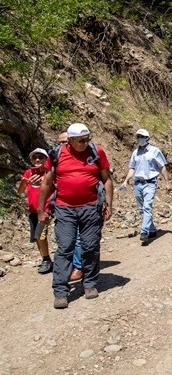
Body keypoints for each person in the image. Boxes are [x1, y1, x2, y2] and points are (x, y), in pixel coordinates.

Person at [38, 123, 113, 309]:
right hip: (65, 209)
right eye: (81, 140)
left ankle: (89, 284)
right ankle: (60, 291)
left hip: (91, 208)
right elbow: (47, 183)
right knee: (65, 247)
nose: (85, 142)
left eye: (88, 138)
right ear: (70, 140)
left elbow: (107, 179)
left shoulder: (97, 152)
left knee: (90, 246)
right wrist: (41, 209)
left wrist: (109, 204)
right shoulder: (56, 154)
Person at [119, 129, 171, 244]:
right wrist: (126, 180)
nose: (139, 139)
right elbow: (132, 168)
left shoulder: (155, 151)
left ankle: (144, 231)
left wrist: (167, 182)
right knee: (142, 209)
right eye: (138, 136)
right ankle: (152, 229)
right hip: (138, 183)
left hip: (150, 183)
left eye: (142, 136)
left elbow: (162, 167)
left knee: (147, 207)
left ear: (148, 138)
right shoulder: (135, 153)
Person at [52, 131, 83, 281]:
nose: (62, 145)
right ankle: (69, 265)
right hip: (62, 205)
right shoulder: (56, 158)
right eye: (59, 142)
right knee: (65, 240)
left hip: (83, 206)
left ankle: (78, 267)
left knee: (77, 238)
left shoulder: (84, 156)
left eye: (64, 141)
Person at [18, 148, 53, 274]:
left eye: (41, 157)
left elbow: (54, 189)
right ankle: (45, 258)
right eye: (34, 158)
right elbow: (20, 191)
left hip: (45, 210)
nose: (37, 160)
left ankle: (47, 260)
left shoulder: (49, 173)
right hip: (32, 210)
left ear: (46, 159)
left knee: (40, 234)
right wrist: (24, 181)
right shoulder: (28, 173)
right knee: (37, 237)